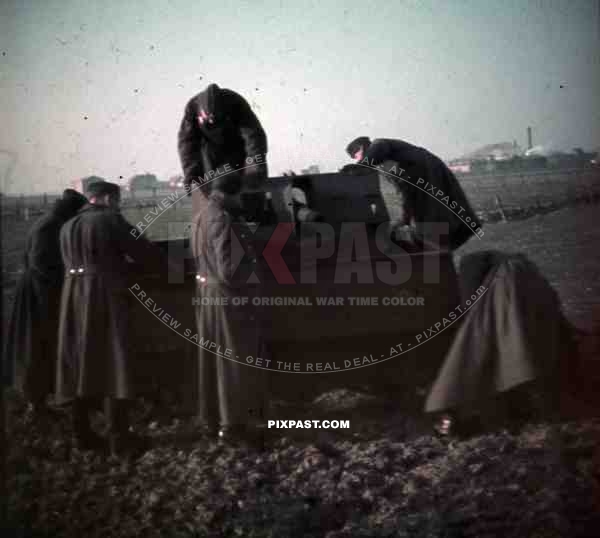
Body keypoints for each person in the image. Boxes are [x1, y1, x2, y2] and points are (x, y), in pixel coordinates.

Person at [55, 181, 168, 456]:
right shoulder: (110, 220)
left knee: (81, 363)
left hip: (74, 300)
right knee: (114, 362)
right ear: (106, 198)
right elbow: (146, 255)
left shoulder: (68, 225)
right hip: (104, 297)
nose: (119, 205)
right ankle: (120, 439)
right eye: (117, 200)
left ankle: (82, 435)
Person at [424, 250, 579, 436]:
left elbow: (470, 309)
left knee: (489, 344)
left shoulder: (471, 265)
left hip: (509, 287)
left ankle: (529, 408)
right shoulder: (513, 266)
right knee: (526, 342)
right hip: (529, 284)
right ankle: (542, 404)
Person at [192, 173, 270, 444]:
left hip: (208, 295)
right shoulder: (223, 218)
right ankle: (234, 428)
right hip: (228, 298)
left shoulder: (202, 215)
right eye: (238, 196)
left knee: (215, 363)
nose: (240, 201)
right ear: (228, 194)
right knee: (234, 362)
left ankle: (214, 422)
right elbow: (229, 270)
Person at [4, 189, 88, 415]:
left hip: (38, 292)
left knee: (40, 347)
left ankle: (40, 399)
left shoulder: (50, 221)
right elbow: (41, 263)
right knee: (36, 347)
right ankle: (36, 403)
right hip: (38, 297)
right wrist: (64, 282)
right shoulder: (50, 226)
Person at [345, 136, 481, 250]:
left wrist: (360, 166)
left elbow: (379, 148)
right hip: (423, 173)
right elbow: (405, 191)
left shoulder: (378, 145)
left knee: (434, 213)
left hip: (425, 170)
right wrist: (405, 218)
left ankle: (441, 242)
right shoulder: (385, 164)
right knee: (431, 213)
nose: (357, 160)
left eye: (356, 156)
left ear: (361, 148)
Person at [177, 83, 268, 196]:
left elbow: (253, 135)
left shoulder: (235, 102)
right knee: (214, 187)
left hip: (238, 146)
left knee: (250, 182)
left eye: (215, 118)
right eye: (209, 119)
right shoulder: (192, 108)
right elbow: (187, 144)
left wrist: (255, 162)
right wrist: (191, 173)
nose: (212, 122)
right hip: (210, 150)